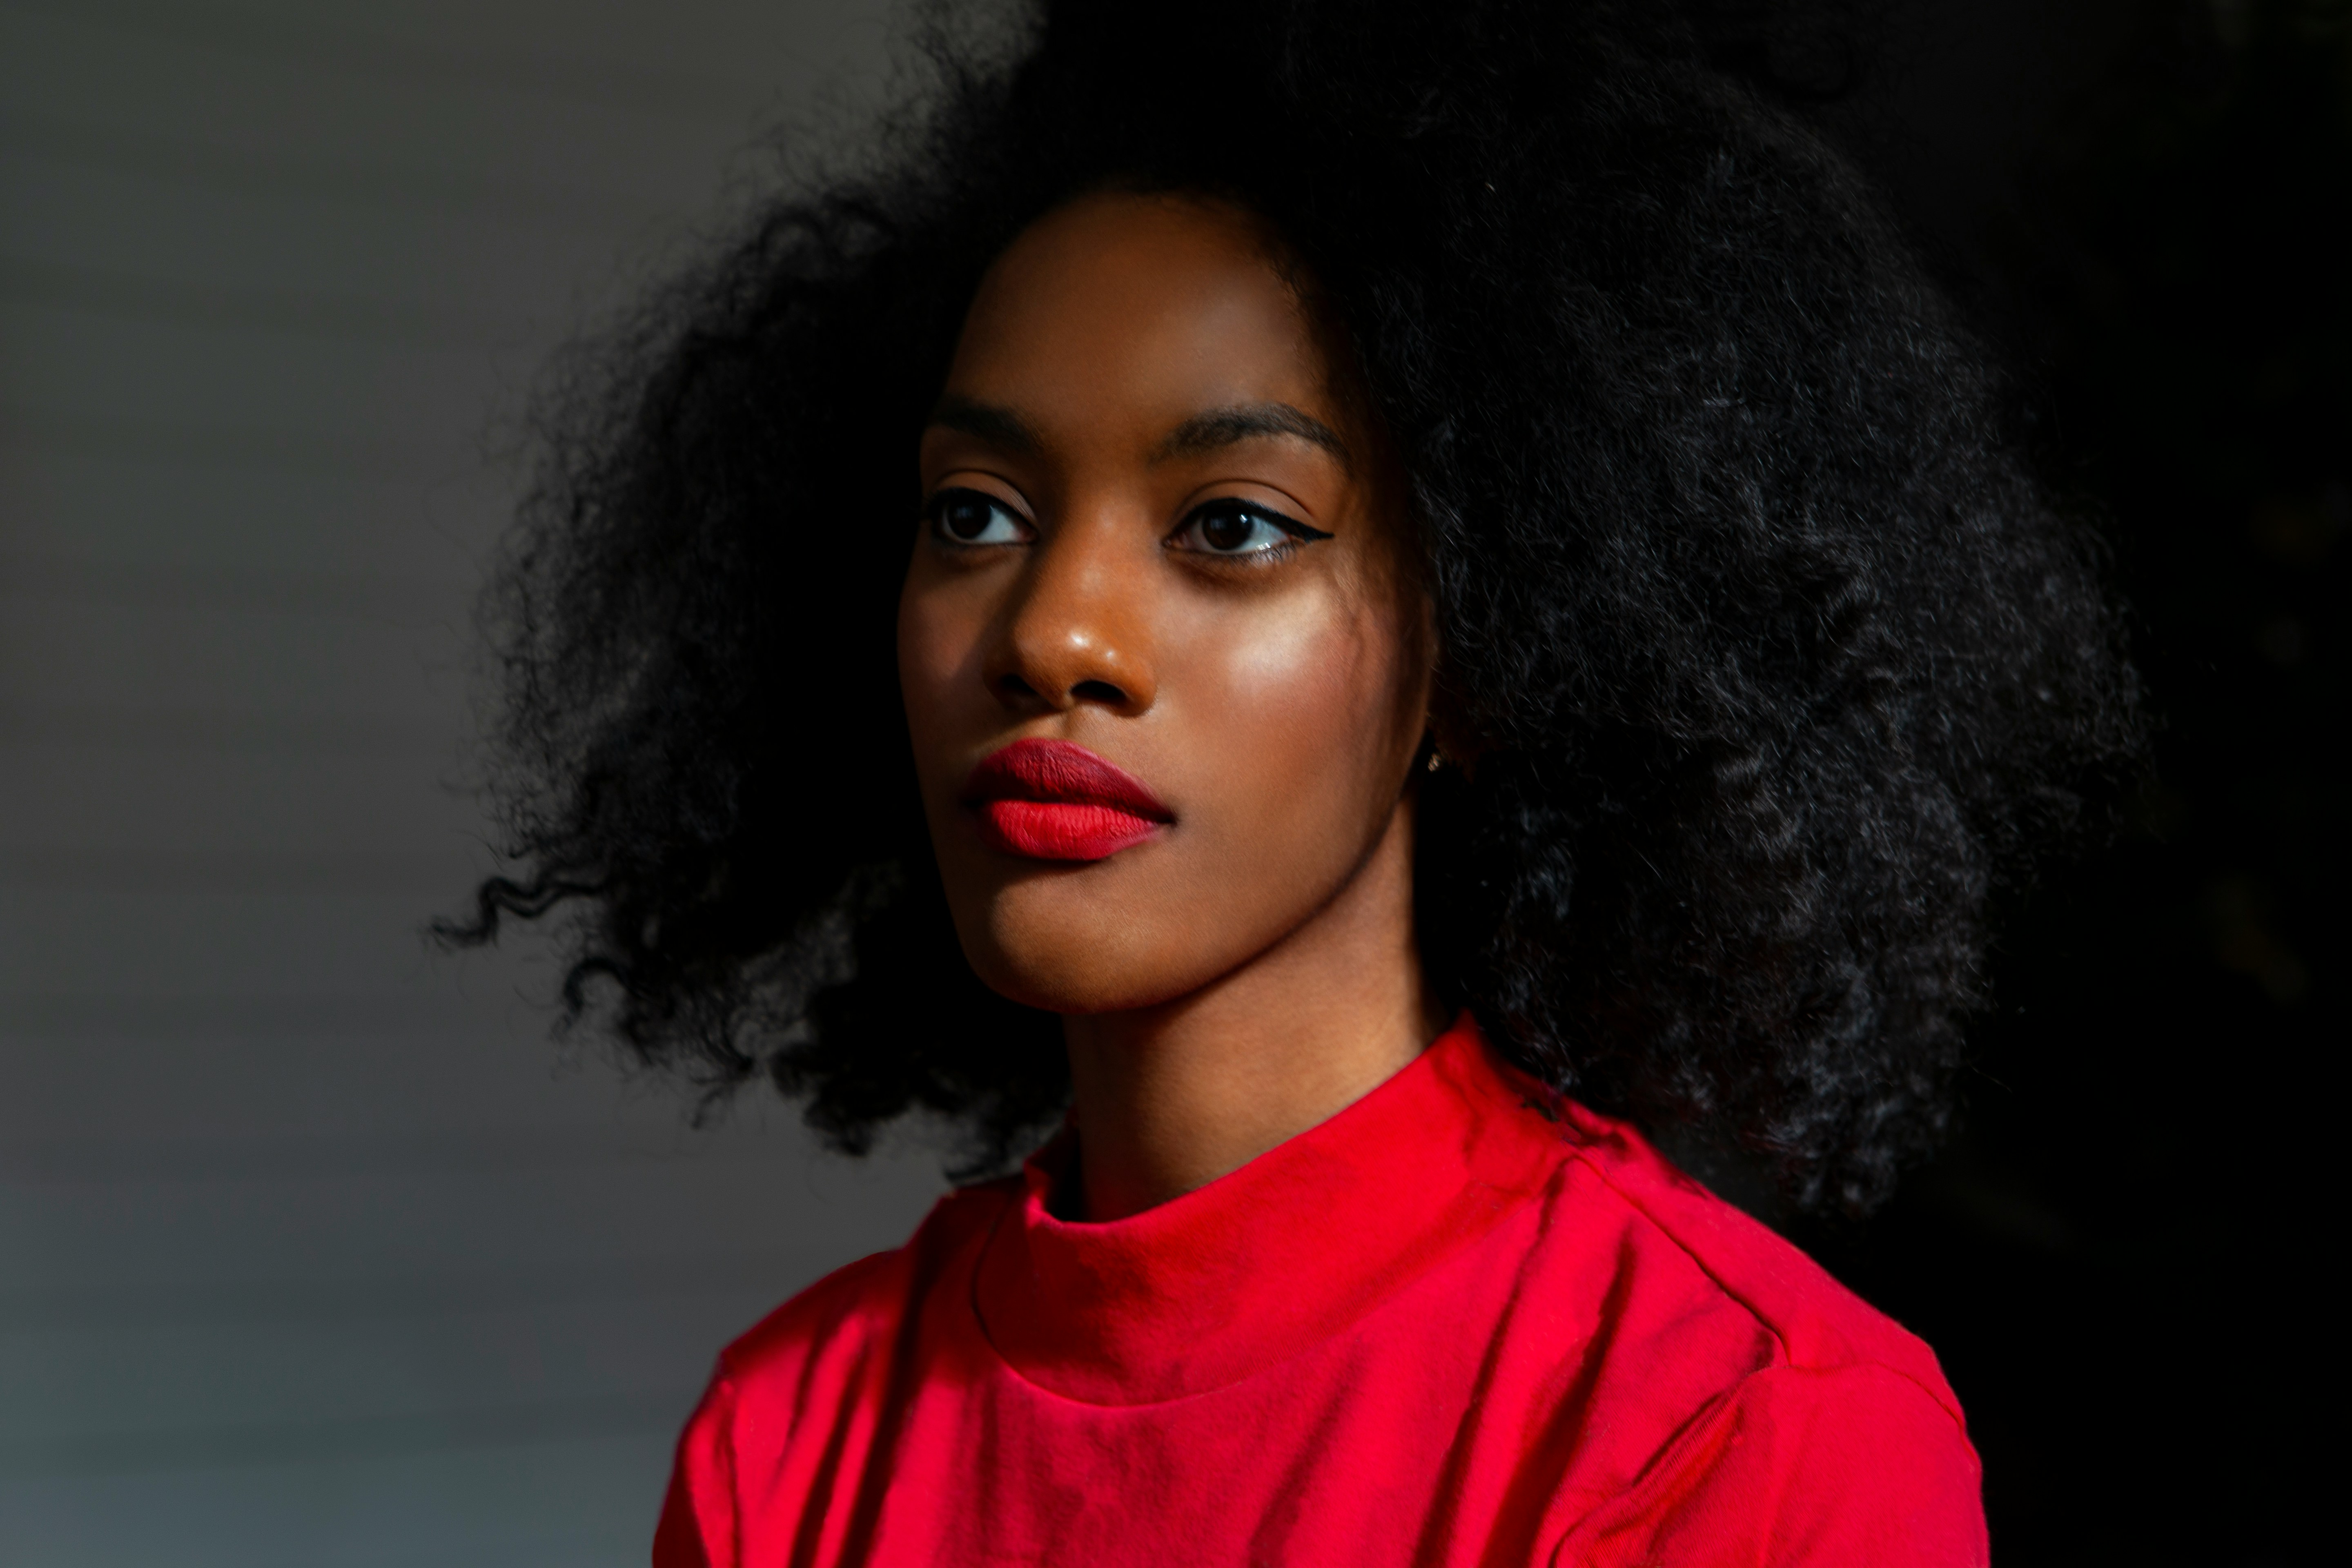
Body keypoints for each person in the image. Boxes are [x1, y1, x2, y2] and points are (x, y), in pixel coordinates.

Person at [449, 2, 2143, 1562]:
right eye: (976, 514)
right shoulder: (788, 1448)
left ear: (1480, 660)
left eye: (1234, 526)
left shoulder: (1731, 1435)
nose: (1052, 634)